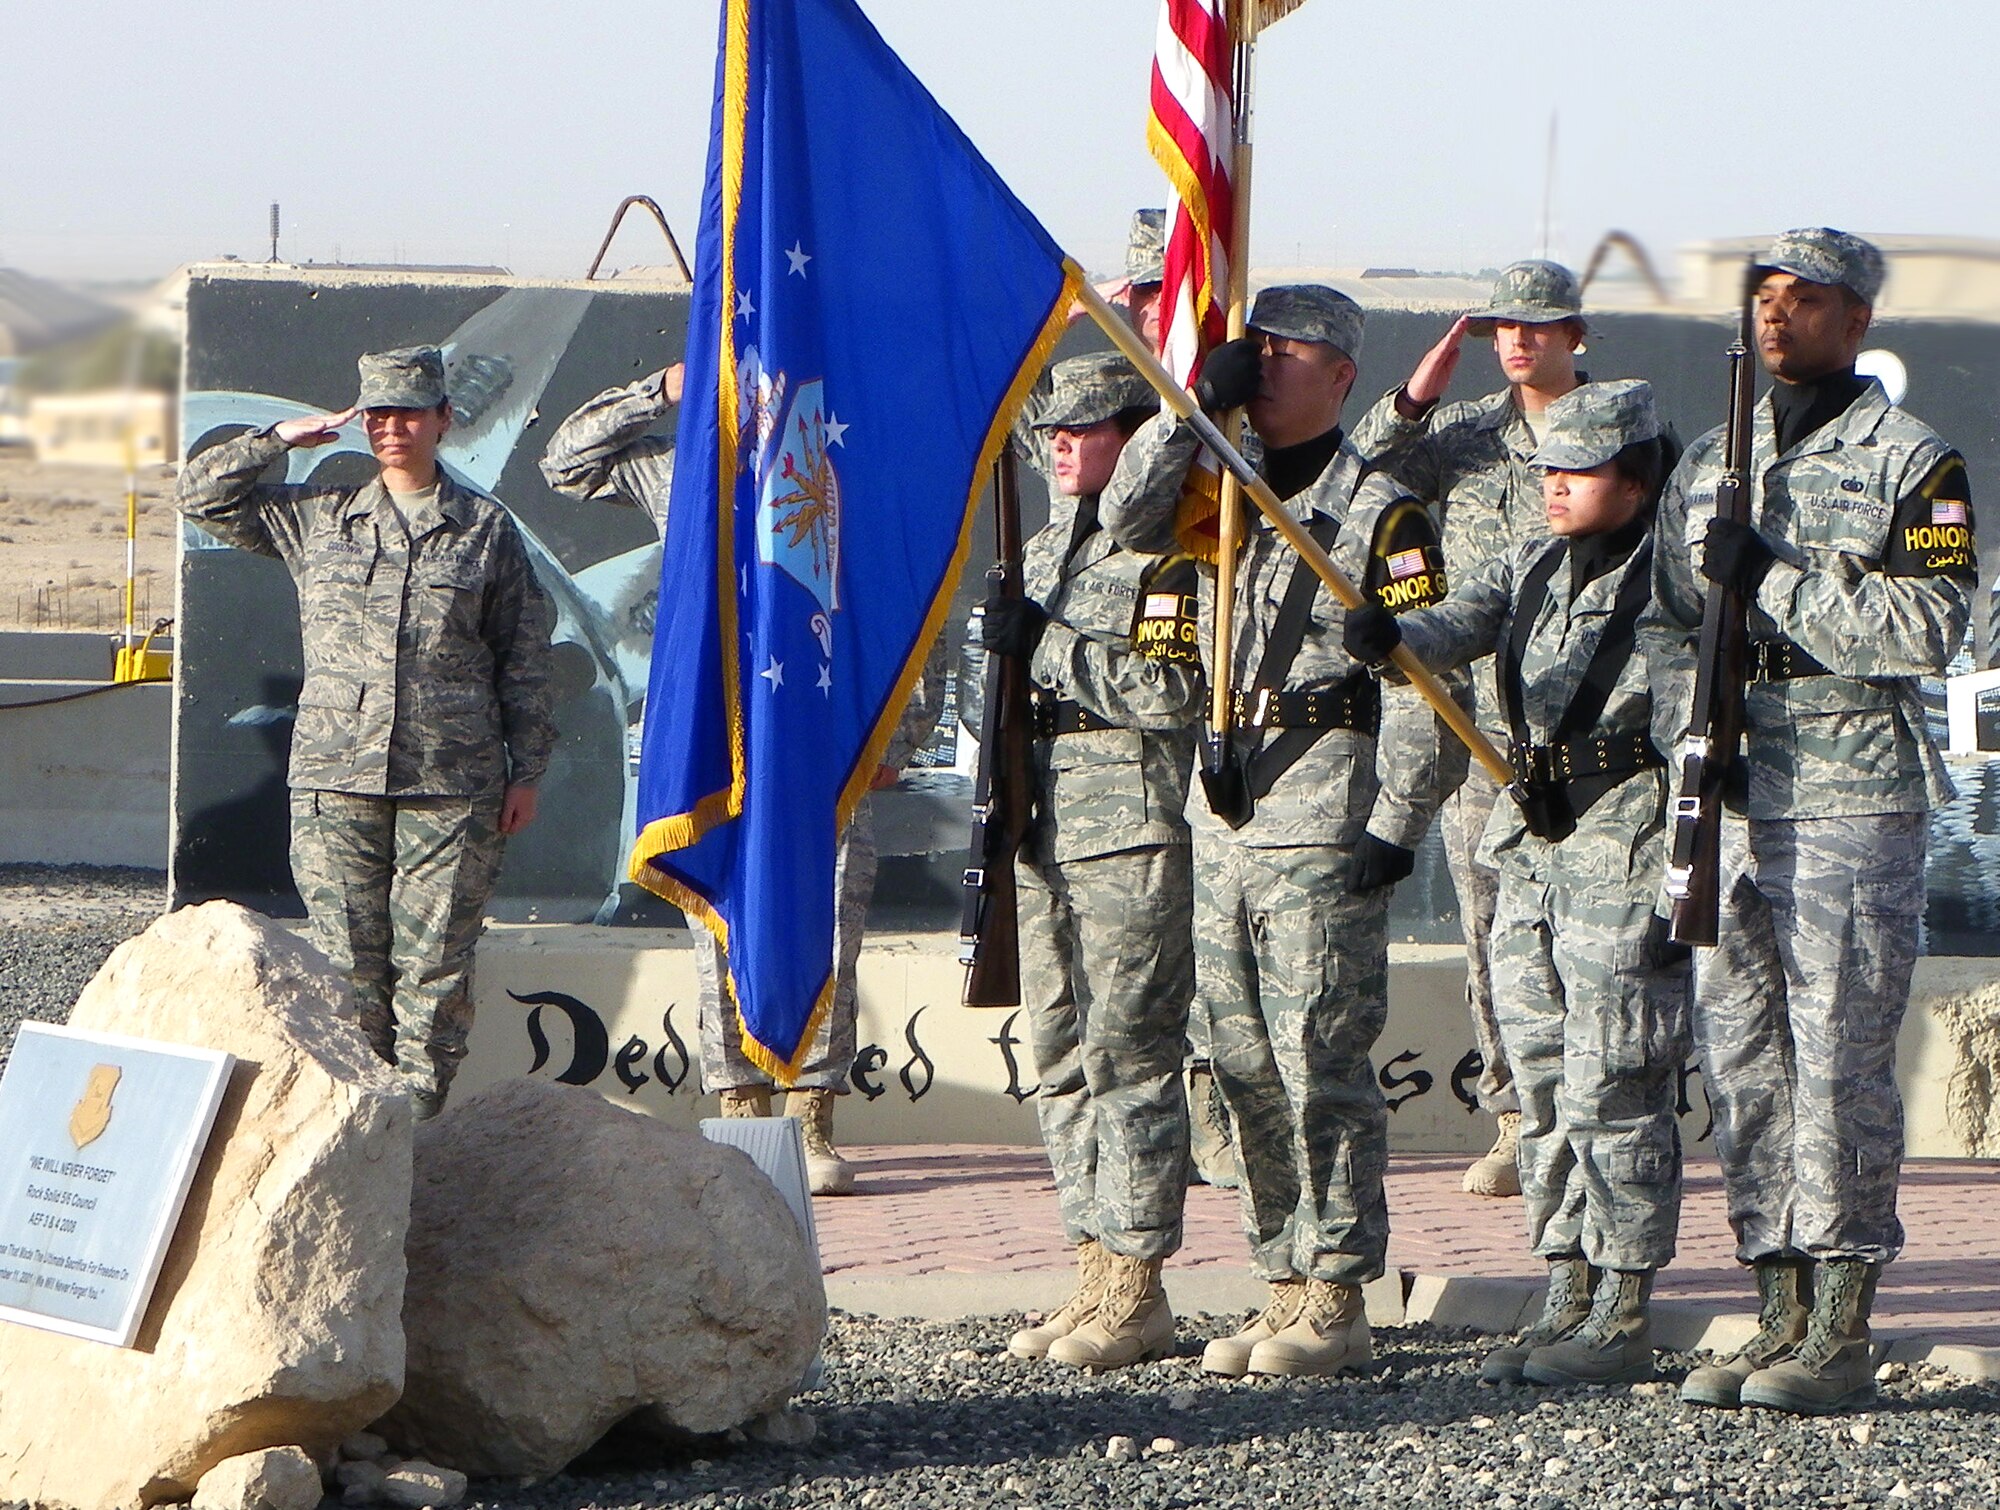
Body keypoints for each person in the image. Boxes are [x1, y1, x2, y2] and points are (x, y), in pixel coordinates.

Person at [1101, 285, 1449, 1378]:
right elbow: (1124, 523)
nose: (1260, 368)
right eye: (1251, 350)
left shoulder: (1381, 509)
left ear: (1341, 374)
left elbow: (1419, 680)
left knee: (1317, 1058)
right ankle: (1281, 1277)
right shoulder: (1214, 489)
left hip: (1322, 804)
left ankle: (1338, 1290)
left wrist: (1394, 820)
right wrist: (1180, 415)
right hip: (1226, 807)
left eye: (1284, 354)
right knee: (1236, 1060)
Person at [1655, 229, 1975, 1414]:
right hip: (1730, 789)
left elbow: (1932, 625)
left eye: (1805, 299)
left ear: (1857, 318)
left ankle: (1840, 1322)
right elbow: (1659, 623)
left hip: (1847, 784)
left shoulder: (1910, 459)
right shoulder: (1705, 460)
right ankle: (1773, 1299)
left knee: (1836, 1055)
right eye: (1763, 297)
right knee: (1741, 1055)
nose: (1775, 316)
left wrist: (1773, 578)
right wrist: (1680, 743)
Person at [1346, 379, 1690, 1386]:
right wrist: (1392, 635)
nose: (1551, 485)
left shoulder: (1676, 581)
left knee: (1613, 1079)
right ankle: (1562, 1280)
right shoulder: (1532, 559)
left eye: (1575, 470)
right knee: (1538, 1079)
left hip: (1621, 836)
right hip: (1527, 840)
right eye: (1545, 467)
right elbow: (1454, 621)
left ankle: (1621, 1297)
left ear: (1633, 481)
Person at [539, 362, 944, 1194]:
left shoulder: (848, 462)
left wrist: (906, 727)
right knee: (718, 919)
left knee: (825, 924)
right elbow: (564, 463)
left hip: (823, 745)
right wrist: (657, 390)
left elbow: (912, 600)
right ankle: (738, 1108)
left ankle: (811, 1116)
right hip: (714, 748)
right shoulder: (688, 462)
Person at [177, 346, 556, 1118]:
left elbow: (523, 656)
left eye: (409, 411)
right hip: (336, 779)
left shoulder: (484, 529)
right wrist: (281, 439)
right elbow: (199, 497)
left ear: (443, 419)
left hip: (451, 785)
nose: (392, 427)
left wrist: (527, 772)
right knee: (348, 970)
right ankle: (359, 1131)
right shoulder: (318, 517)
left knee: (435, 974)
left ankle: (415, 1135)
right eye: (378, 413)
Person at [1349, 260, 1592, 1199]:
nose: (1518, 341)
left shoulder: (1617, 432)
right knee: (1494, 937)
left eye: (1538, 325)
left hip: (1584, 727)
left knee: (1590, 938)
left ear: (1577, 333)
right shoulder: (1462, 435)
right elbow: (1366, 470)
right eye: (1502, 327)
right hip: (1480, 727)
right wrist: (1415, 396)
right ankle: (1515, 1119)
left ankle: (1591, 1115)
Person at [979, 352, 1201, 1371]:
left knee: (1129, 1053)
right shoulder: (1032, 550)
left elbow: (1170, 697)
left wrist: (1051, 647)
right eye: (1051, 432)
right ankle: (1087, 1261)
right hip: (1041, 827)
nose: (1060, 446)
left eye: (1082, 430)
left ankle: (1136, 1284)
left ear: (1131, 437)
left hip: (1128, 830)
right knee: (1059, 1057)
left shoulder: (1168, 557)